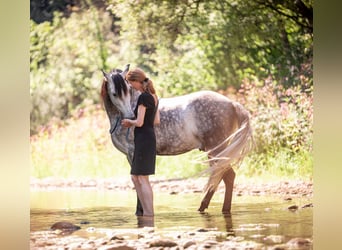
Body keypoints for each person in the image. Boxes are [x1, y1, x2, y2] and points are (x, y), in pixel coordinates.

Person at [121, 67, 160, 217]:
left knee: (142, 178)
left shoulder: (143, 97)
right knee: (135, 177)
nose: (131, 87)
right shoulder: (154, 96)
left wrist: (128, 122)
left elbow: (139, 122)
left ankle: (149, 214)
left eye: (131, 83)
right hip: (147, 138)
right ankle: (146, 213)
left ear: (137, 81)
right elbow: (156, 120)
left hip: (144, 139)